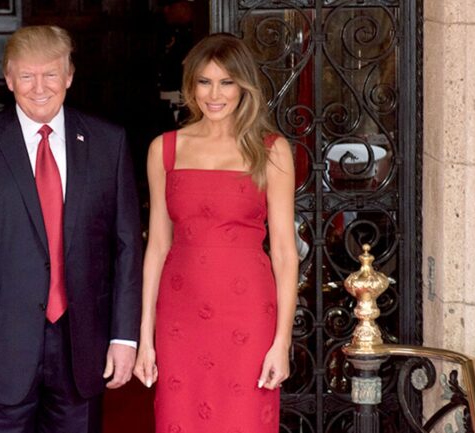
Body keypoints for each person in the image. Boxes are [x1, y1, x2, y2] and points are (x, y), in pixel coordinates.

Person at [0, 25, 143, 433]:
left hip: (83, 345)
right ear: (8, 79)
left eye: (50, 74)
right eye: (26, 76)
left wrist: (124, 337)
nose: (38, 87)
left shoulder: (107, 143)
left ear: (69, 76)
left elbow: (127, 247)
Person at [133, 33, 297, 433]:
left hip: (248, 314)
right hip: (180, 313)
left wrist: (282, 341)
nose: (214, 94)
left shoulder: (271, 149)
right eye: (204, 82)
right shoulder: (165, 149)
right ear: (191, 86)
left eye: (226, 82)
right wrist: (145, 337)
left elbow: (284, 251)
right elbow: (156, 246)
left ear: (244, 86)